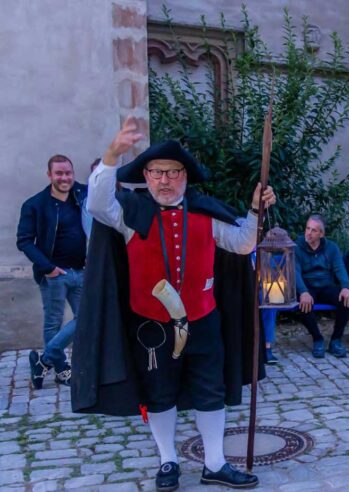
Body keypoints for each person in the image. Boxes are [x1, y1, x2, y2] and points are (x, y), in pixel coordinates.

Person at [73, 117, 275, 490]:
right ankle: (168, 461)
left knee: (209, 392)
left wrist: (253, 210)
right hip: (150, 325)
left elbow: (244, 242)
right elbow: (97, 202)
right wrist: (113, 154)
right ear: (146, 176)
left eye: (173, 172)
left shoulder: (205, 214)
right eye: (156, 172)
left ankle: (214, 463)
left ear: (185, 176)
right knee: (159, 392)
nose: (164, 180)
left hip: (203, 320)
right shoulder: (129, 213)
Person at [17, 154, 88, 389]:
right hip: (55, 274)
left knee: (87, 318)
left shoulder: (82, 195)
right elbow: (24, 241)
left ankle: (43, 360)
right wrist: (48, 268)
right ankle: (60, 370)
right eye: (59, 173)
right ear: (50, 175)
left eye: (68, 172)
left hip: (82, 270)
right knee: (53, 324)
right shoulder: (35, 204)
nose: (64, 177)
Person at [295, 215, 349, 358]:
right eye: (307, 228)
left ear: (321, 234)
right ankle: (317, 339)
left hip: (326, 286)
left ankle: (335, 341)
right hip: (308, 287)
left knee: (345, 300)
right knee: (303, 305)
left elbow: (339, 268)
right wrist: (303, 291)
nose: (308, 233)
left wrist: (346, 287)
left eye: (313, 230)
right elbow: (295, 272)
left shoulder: (331, 248)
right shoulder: (297, 247)